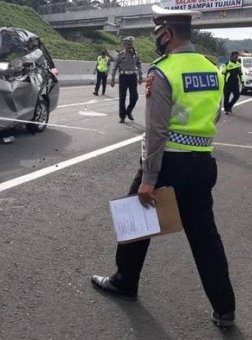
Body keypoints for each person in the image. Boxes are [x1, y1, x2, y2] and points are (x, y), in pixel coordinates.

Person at [92, 5, 237, 327]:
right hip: (203, 161)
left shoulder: (163, 70)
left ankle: (124, 282)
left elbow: (156, 130)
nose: (156, 40)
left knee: (135, 222)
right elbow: (216, 115)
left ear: (167, 33)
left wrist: (149, 177)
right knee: (205, 236)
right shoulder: (211, 68)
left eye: (157, 34)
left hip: (168, 161)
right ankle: (225, 308)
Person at [111, 36, 143, 123]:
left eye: (131, 44)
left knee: (135, 96)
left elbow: (139, 64)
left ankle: (129, 110)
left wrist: (140, 76)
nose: (130, 46)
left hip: (132, 76)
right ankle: (122, 116)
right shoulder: (120, 55)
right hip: (123, 77)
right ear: (124, 45)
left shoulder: (135, 54)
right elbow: (115, 67)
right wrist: (113, 79)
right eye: (128, 44)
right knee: (122, 97)